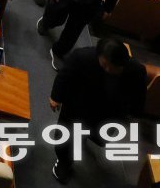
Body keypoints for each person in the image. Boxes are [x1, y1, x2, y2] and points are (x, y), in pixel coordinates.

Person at [49, 38, 147, 183]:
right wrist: (56, 97)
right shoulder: (82, 57)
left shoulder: (137, 70)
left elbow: (139, 95)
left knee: (97, 135)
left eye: (113, 67)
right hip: (78, 106)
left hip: (108, 113)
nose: (109, 70)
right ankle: (64, 162)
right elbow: (64, 76)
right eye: (105, 65)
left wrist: (133, 113)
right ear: (99, 55)